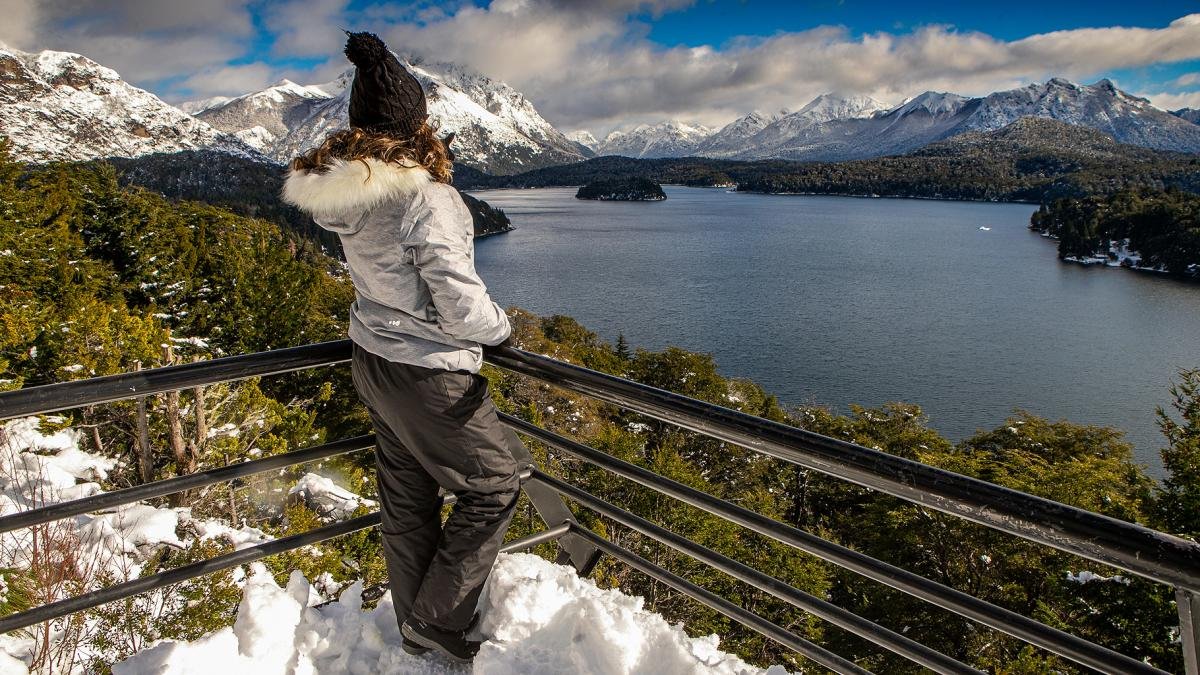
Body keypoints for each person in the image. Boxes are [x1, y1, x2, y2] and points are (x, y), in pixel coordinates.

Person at [282, 31, 520, 663]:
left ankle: (418, 627)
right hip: (428, 373)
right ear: (417, 127)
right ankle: (437, 622)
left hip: (374, 360)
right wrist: (502, 328)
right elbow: (460, 304)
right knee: (495, 483)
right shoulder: (424, 196)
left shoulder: (352, 196)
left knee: (408, 495)